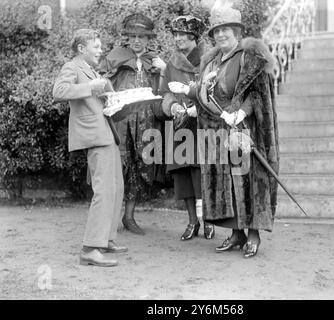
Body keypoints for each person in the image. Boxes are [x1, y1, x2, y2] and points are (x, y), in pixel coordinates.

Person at [168, 3, 279, 258]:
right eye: (217, 31)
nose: (220, 35)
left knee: (247, 181)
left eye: (226, 29)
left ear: (237, 31)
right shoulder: (211, 61)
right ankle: (236, 233)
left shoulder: (250, 58)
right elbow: (205, 93)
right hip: (216, 131)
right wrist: (191, 94)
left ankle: (253, 234)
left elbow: (258, 94)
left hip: (243, 130)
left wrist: (241, 112)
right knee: (226, 183)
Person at [53, 29, 127, 267]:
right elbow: (59, 92)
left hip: (107, 134)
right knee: (104, 190)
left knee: (116, 188)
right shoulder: (72, 67)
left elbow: (100, 100)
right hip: (95, 137)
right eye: (96, 46)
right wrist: (93, 86)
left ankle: (106, 239)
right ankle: (90, 248)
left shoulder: (92, 70)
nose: (101, 50)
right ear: (81, 48)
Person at [99, 13, 168, 235]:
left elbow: (164, 90)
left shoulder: (154, 60)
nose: (136, 40)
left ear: (149, 39)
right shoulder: (115, 56)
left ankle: (129, 217)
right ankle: (108, 219)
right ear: (127, 37)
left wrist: (164, 71)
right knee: (117, 165)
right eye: (133, 36)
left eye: (141, 36)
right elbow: (100, 83)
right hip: (120, 120)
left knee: (139, 167)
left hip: (146, 121)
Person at [159, 15, 215, 241]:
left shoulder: (210, 58)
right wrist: (171, 107)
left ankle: (210, 221)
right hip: (181, 123)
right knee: (183, 174)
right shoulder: (172, 62)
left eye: (183, 34)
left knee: (204, 173)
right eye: (176, 34)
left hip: (205, 122)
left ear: (194, 36)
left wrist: (198, 105)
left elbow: (217, 88)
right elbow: (165, 92)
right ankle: (193, 221)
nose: (178, 38)